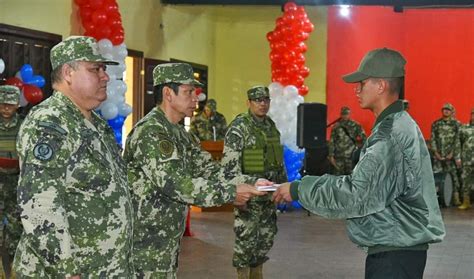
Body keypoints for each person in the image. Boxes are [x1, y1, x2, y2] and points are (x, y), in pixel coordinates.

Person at [273, 48, 445, 279]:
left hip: (394, 254)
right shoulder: (400, 123)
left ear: (381, 86)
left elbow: (357, 193)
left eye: (362, 83)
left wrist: (299, 188)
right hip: (399, 245)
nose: (356, 89)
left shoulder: (389, 134)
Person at [123, 63, 266, 278]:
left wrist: (252, 182)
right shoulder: (151, 132)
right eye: (189, 92)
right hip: (144, 239)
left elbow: (211, 170)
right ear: (168, 93)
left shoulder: (181, 134)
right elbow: (175, 184)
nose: (196, 98)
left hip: (165, 237)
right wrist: (230, 193)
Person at [13, 36, 134, 278]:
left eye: (103, 69)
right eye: (95, 69)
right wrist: (65, 270)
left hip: (102, 267)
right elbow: (39, 203)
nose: (105, 76)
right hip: (67, 270)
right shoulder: (49, 123)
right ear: (68, 72)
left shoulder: (96, 123)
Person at [221, 85, 287, 279]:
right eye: (258, 100)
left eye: (266, 100)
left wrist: (282, 186)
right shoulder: (239, 128)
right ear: (248, 102)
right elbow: (228, 170)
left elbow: (278, 160)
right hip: (249, 197)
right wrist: (249, 184)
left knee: (265, 240)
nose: (263, 104)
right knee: (246, 243)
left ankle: (257, 275)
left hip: (269, 197)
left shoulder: (271, 126)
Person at [0, 85, 23, 278]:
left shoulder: (25, 125)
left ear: (17, 104)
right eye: (2, 104)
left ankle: (15, 272)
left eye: (10, 104)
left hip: (17, 183)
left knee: (16, 229)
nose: (6, 108)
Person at [430, 103, 462, 205]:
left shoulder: (456, 124)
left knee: (454, 176)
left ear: (452, 111)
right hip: (439, 155)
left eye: (448, 110)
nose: (446, 111)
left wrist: (453, 153)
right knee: (436, 177)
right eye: (444, 109)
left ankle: (455, 198)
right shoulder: (436, 124)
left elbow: (458, 140)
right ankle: (436, 198)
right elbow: (433, 139)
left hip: (451, 156)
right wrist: (435, 152)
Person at [328, 106, 366, 175]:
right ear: (341, 114)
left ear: (349, 114)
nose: (345, 116)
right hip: (338, 157)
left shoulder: (355, 125)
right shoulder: (336, 126)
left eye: (346, 114)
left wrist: (362, 152)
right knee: (337, 178)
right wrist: (331, 155)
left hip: (351, 156)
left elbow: (364, 138)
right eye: (343, 114)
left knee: (351, 177)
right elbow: (332, 141)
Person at [457, 108, 474, 210]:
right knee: (465, 180)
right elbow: (458, 143)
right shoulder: (463, 128)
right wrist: (458, 157)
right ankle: (466, 201)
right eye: (473, 114)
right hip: (467, 159)